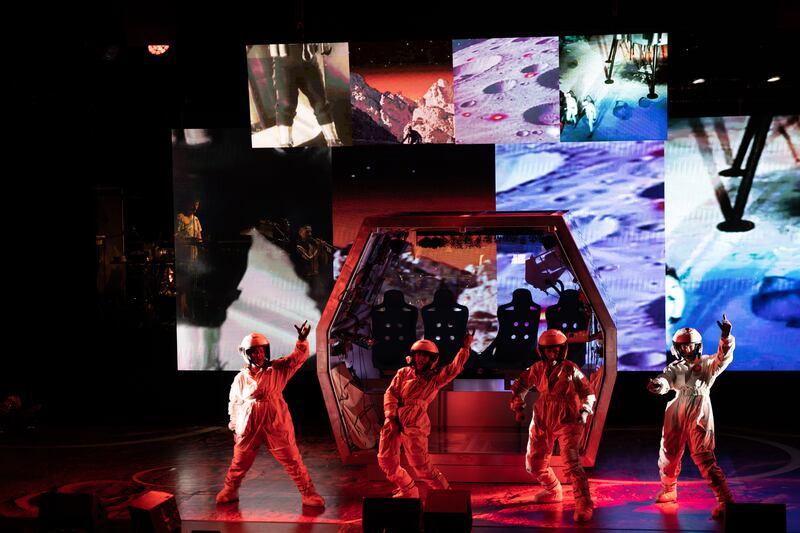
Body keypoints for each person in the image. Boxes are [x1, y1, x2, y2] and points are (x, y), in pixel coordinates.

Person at [216, 321, 325, 507]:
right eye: (254, 352)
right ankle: (230, 490)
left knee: (291, 458)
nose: (259, 355)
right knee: (240, 458)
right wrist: (234, 426)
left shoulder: (277, 369)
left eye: (261, 351)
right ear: (246, 354)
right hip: (249, 419)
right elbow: (234, 403)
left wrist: (301, 340)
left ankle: (308, 493)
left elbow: (297, 359)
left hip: (275, 417)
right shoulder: (241, 378)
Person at [647, 314, 735, 520]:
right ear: (677, 347)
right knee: (669, 453)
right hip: (676, 408)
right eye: (683, 346)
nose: (687, 349)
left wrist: (726, 337)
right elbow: (666, 380)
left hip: (699, 410)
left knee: (704, 456)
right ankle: (669, 490)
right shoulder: (674, 367)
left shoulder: (707, 363)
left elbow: (723, 357)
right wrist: (658, 385)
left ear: (697, 346)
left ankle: (725, 500)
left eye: (690, 345)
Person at [509, 329, 596, 522]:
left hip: (569, 417)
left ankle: (584, 502)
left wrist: (584, 410)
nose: (551, 354)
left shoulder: (571, 369)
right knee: (534, 463)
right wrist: (518, 405)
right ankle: (553, 489)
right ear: (542, 351)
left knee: (571, 462)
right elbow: (520, 385)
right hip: (543, 415)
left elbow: (588, 392)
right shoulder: (537, 369)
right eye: (548, 350)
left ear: (562, 350)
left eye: (555, 350)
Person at [378, 331, 474, 497]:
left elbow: (453, 369)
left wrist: (465, 348)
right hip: (392, 420)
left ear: (432, 359)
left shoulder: (434, 380)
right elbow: (391, 392)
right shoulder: (403, 373)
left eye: (425, 356)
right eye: (418, 355)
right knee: (387, 461)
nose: (421, 359)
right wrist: (391, 416)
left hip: (415, 423)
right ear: (413, 356)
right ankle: (408, 490)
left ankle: (446, 496)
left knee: (422, 467)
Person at [268, 43, 342, 147]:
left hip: (308, 61)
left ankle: (333, 140)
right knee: (286, 105)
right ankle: (285, 144)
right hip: (284, 61)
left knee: (320, 103)